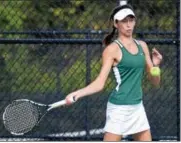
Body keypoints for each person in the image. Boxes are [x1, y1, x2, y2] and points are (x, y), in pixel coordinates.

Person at [65, 4, 163, 141]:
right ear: (116, 24)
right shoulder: (112, 50)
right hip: (119, 109)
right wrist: (78, 93)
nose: (129, 24)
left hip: (137, 107)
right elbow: (100, 83)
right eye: (124, 21)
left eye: (131, 20)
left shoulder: (143, 46)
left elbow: (155, 82)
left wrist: (156, 66)